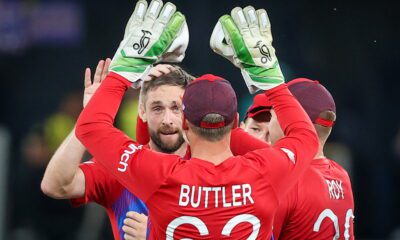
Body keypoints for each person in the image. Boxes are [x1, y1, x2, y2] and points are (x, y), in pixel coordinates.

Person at [75, 1, 318, 238]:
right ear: (234, 122)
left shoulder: (160, 175)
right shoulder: (266, 171)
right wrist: (271, 81)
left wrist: (125, 70)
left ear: (184, 123)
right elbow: (306, 137)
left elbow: (90, 127)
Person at [41, 56, 194, 239]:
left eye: (176, 108)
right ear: (142, 112)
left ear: (191, 112)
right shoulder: (122, 164)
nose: (167, 120)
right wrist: (88, 120)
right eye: (157, 108)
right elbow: (55, 185)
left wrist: (155, 235)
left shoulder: (210, 167)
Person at [271, 78, 355, 239]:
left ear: (290, 121)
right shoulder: (341, 175)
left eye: (273, 112)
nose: (268, 122)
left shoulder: (288, 179)